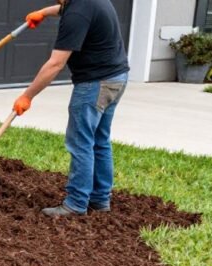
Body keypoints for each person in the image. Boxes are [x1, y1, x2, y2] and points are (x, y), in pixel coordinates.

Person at [14, 0, 130, 217]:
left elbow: (55, 64)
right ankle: (99, 200)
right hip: (117, 77)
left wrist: (27, 96)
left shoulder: (77, 13)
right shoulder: (87, 3)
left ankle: (76, 204)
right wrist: (43, 13)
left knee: (81, 143)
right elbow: (66, 8)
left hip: (95, 84)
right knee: (99, 140)